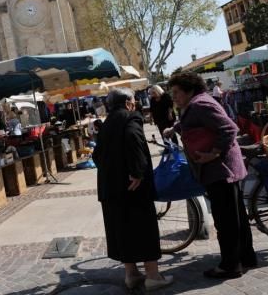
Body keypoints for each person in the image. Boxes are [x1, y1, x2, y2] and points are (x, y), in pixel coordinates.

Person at [164, 72, 256, 279]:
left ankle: (230, 266)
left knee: (226, 220)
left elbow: (228, 128)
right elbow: (197, 123)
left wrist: (214, 152)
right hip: (221, 169)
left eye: (177, 92)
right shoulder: (197, 103)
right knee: (236, 217)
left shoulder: (200, 104)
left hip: (219, 169)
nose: (175, 97)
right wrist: (175, 129)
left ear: (189, 90)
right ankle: (246, 257)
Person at [93, 88, 173, 291]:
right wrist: (137, 172)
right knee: (143, 228)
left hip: (110, 188)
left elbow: (96, 156)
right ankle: (153, 276)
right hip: (132, 187)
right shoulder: (130, 118)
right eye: (134, 100)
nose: (136, 103)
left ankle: (131, 274)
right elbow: (134, 139)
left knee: (122, 230)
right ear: (128, 102)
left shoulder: (106, 123)